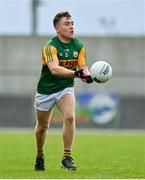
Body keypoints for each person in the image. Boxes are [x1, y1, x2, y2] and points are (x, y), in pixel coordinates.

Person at [34, 11, 93, 171]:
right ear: (57, 28)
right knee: (42, 127)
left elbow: (83, 67)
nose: (71, 26)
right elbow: (54, 69)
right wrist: (76, 74)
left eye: (72, 23)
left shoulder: (78, 46)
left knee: (69, 117)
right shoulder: (50, 47)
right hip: (46, 90)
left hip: (65, 88)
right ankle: (40, 155)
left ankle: (67, 157)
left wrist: (88, 75)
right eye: (67, 24)